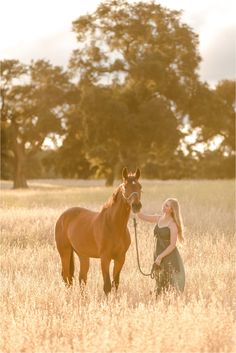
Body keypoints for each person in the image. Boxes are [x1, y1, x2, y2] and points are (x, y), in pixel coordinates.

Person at [137, 198, 185, 295]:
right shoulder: (159, 218)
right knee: (159, 279)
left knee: (168, 282)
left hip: (168, 256)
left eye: (167, 205)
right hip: (158, 253)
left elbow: (172, 245)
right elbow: (142, 216)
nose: (164, 206)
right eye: (164, 204)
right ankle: (159, 300)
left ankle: (168, 303)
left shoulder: (172, 225)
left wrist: (160, 256)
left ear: (172, 209)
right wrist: (136, 204)